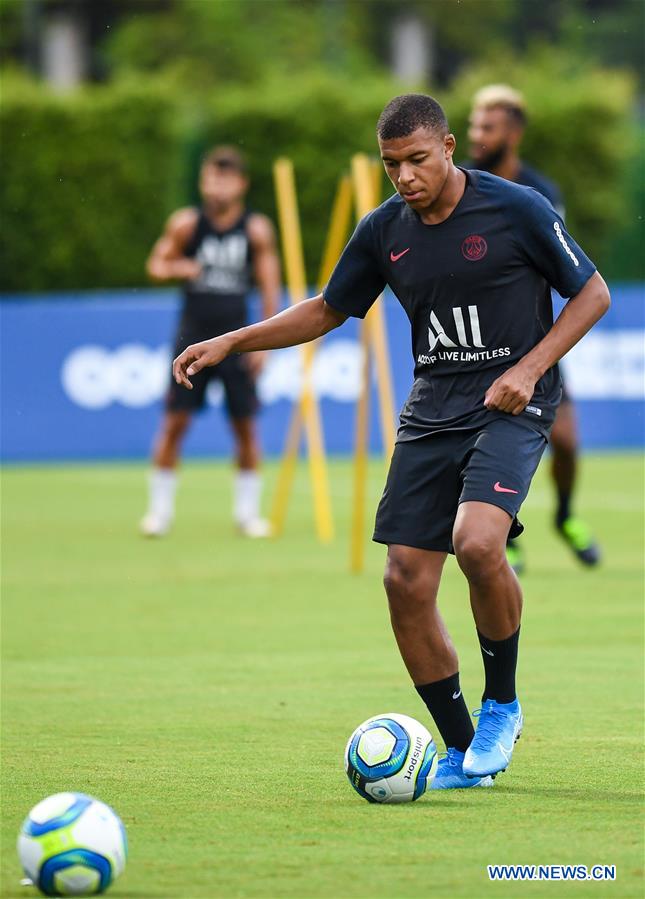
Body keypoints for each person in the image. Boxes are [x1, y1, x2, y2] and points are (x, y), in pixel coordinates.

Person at [173, 95, 610, 788]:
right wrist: (233, 339)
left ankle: (502, 701)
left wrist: (528, 369)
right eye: (390, 165)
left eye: (415, 160)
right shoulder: (384, 230)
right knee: (404, 582)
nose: (403, 176)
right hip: (432, 409)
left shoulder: (516, 207)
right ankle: (466, 753)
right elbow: (325, 309)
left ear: (447, 147)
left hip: (510, 402)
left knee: (476, 542)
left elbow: (591, 293)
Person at [466, 84, 601, 573]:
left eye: (489, 126)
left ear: (515, 132)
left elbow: (563, 267)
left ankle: (565, 517)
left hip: (533, 340)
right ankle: (507, 535)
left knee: (564, 441)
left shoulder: (539, 194)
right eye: (474, 125)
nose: (477, 135)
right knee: (483, 444)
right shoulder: (459, 184)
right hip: (472, 341)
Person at [140, 146, 280, 538]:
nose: (216, 188)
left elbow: (271, 289)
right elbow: (155, 264)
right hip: (191, 338)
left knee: (245, 425)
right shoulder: (187, 224)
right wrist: (176, 267)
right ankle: (159, 512)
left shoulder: (256, 229)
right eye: (210, 179)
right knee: (175, 422)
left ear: (241, 184)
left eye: (224, 179)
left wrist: (265, 345)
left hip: (236, 340)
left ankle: (248, 514)